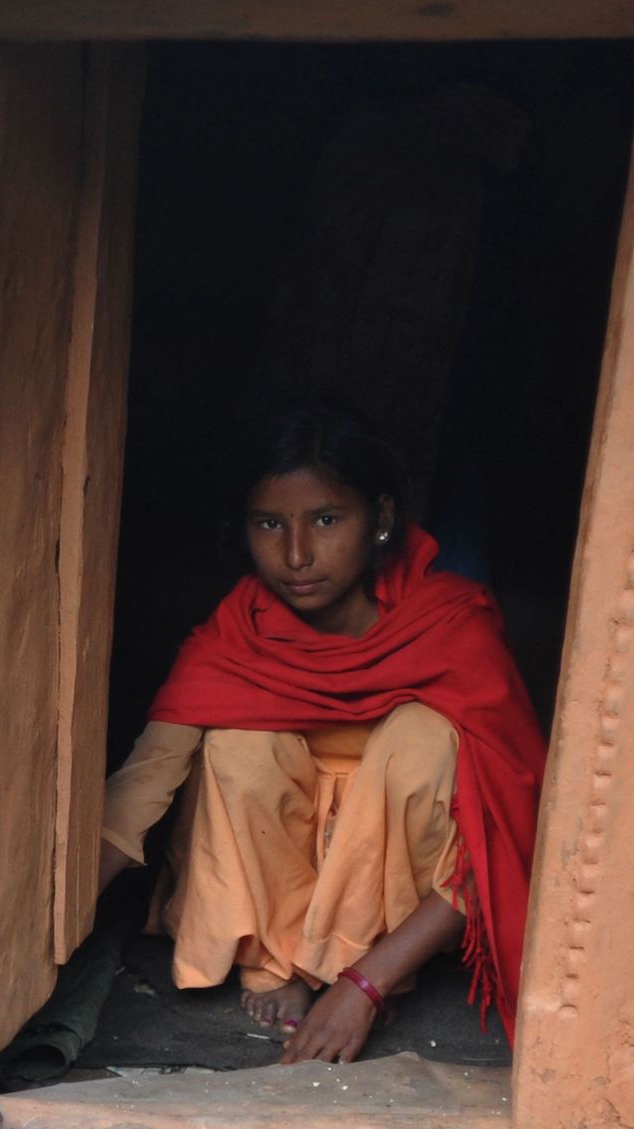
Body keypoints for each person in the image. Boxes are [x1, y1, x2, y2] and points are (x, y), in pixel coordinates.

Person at [98, 405, 548, 1064]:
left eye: (328, 520)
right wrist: (39, 928)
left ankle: (368, 965)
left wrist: (365, 983)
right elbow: (142, 787)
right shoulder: (239, 633)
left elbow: (504, 832)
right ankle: (279, 962)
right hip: (276, 890)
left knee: (423, 739)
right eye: (269, 523)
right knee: (235, 743)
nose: (297, 555)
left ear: (381, 518)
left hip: (398, 909)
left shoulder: (449, 629)